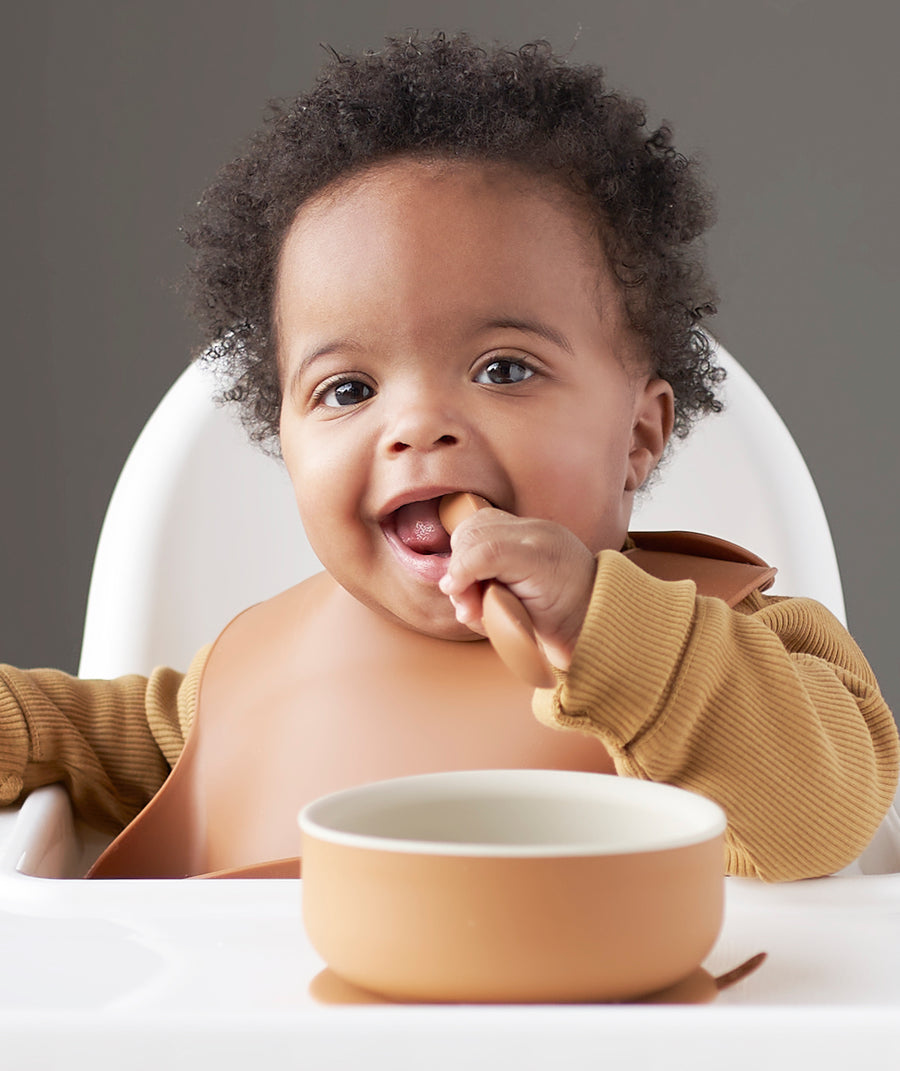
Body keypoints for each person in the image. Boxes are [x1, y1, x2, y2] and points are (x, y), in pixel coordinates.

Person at [1, 33, 896, 881]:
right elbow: (107, 746)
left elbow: (823, 815)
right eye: (349, 391)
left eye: (503, 370)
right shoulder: (246, 669)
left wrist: (603, 629)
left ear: (640, 436)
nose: (418, 426)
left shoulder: (737, 649)